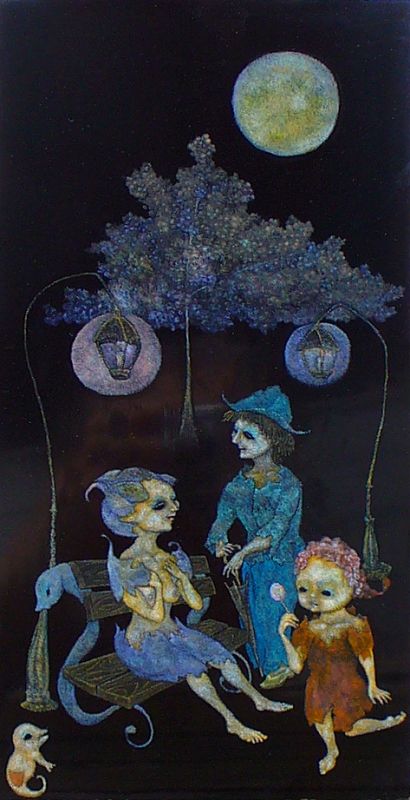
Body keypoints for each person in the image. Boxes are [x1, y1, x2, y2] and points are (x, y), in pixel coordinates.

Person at [86, 467, 292, 745]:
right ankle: (231, 721)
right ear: (130, 516)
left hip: (173, 633)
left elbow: (194, 602)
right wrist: (160, 581)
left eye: (173, 501)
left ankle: (258, 699)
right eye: (160, 505)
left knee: (220, 655)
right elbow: (155, 614)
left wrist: (181, 578)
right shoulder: (129, 565)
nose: (174, 508)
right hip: (142, 645)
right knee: (195, 668)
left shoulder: (166, 557)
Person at [205, 386, 307, 689]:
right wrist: (219, 542)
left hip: (281, 563)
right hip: (253, 568)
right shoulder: (237, 486)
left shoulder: (289, 485)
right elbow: (221, 521)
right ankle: (263, 670)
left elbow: (275, 530)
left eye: (248, 435)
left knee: (275, 616)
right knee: (253, 619)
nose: (236, 440)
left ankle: (280, 668)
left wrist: (241, 554)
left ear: (272, 439)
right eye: (235, 432)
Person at [278, 537, 406, 775]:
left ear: (352, 587)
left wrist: (372, 685)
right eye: (304, 589)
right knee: (320, 719)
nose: (313, 598)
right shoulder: (308, 628)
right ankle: (331, 750)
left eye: (326, 591)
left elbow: (365, 654)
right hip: (318, 684)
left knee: (351, 728)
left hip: (346, 683)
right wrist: (283, 636)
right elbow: (296, 667)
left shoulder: (354, 625)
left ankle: (383, 723)